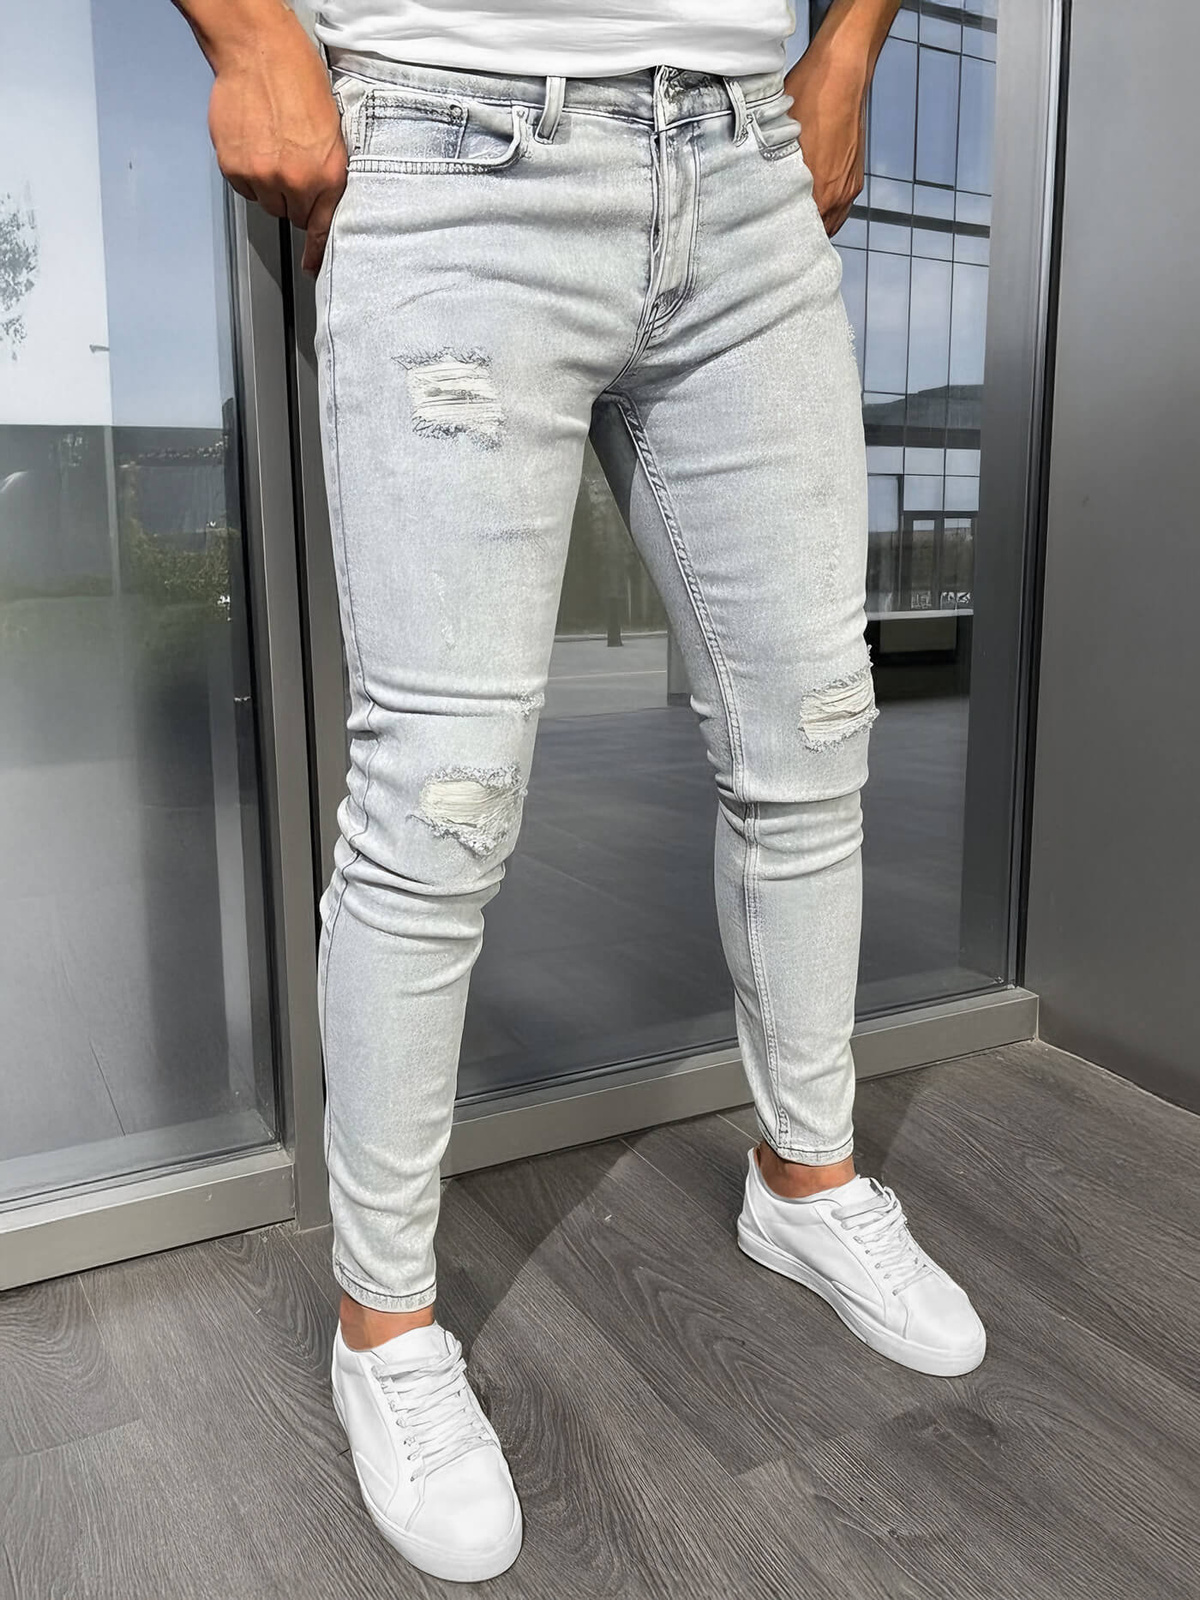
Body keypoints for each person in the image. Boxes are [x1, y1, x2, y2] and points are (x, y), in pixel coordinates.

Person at [176, 0, 987, 1583]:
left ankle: (806, 1181)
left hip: (744, 164)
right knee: (443, 794)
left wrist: (851, 49)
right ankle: (384, 1328)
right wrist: (247, 34)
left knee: (814, 728)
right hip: (450, 141)